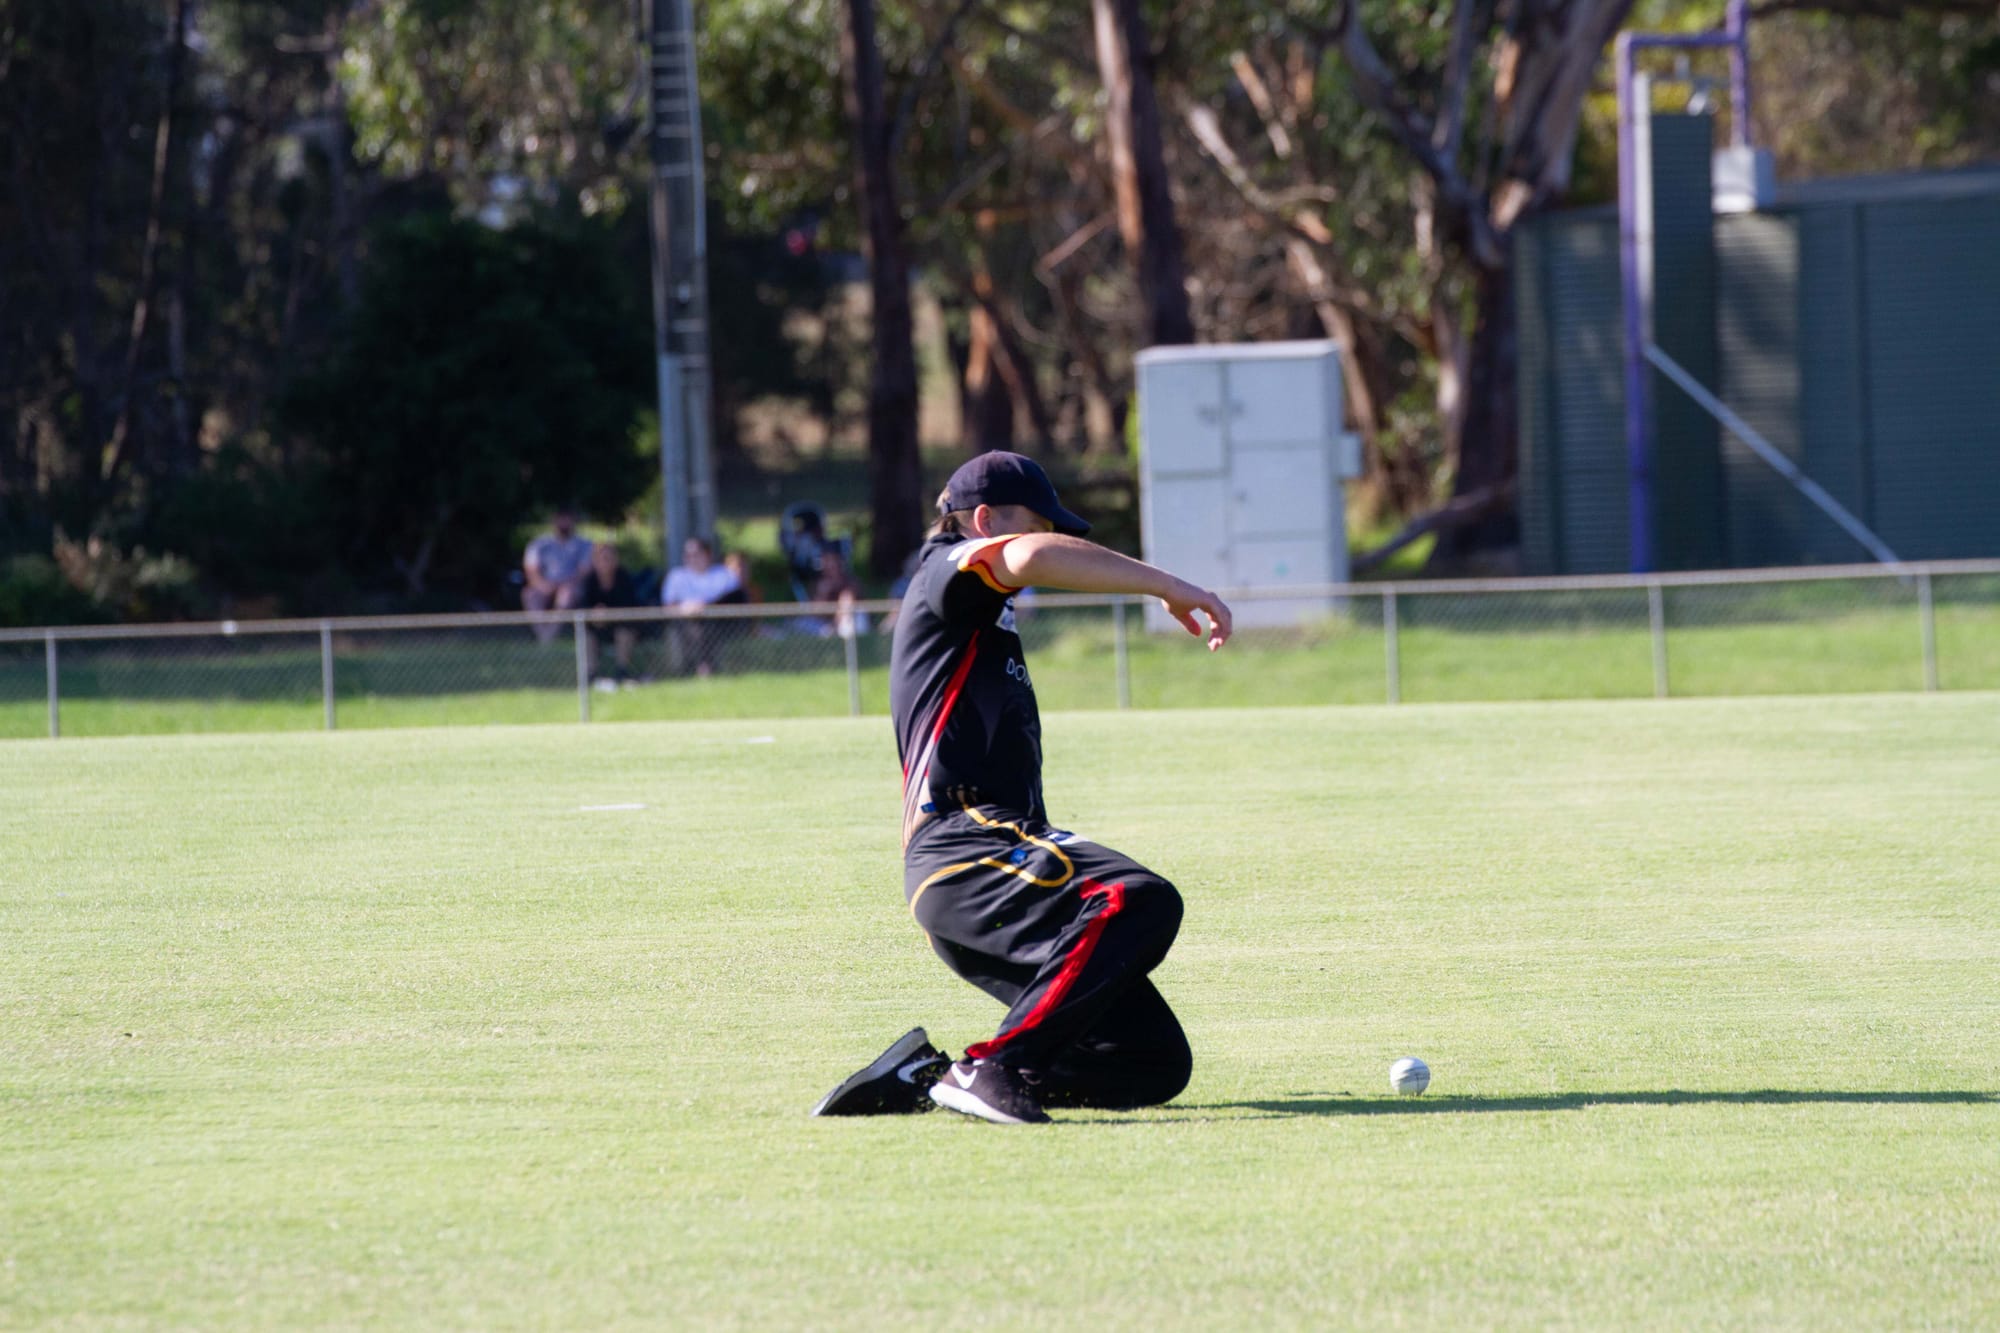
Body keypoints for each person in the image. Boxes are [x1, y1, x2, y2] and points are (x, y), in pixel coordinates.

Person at [812, 451, 1232, 1125]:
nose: (1053, 541)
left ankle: (935, 1075)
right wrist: (1168, 586)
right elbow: (1030, 555)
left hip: (984, 879)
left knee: (1151, 1061)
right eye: (1036, 524)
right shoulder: (942, 575)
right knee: (1139, 897)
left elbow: (1029, 554)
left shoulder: (981, 614)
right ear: (982, 522)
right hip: (963, 849)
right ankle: (991, 1068)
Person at [661, 536, 741, 676]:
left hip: (720, 621)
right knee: (696, 626)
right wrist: (686, 608)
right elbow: (668, 605)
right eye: (688, 555)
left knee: (706, 624)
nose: (692, 558)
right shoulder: (677, 576)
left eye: (696, 554)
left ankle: (704, 666)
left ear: (708, 555)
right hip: (686, 621)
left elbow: (735, 598)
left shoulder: (724, 574)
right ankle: (703, 666)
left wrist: (706, 606)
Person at [522, 508, 593, 644]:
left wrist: (566, 585)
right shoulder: (539, 544)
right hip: (545, 585)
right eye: (560, 518)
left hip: (572, 586)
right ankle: (542, 634)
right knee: (530, 595)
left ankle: (549, 637)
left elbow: (584, 571)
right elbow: (531, 570)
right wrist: (542, 584)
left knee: (566, 595)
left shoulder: (585, 544)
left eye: (567, 518)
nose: (564, 522)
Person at [577, 542, 641, 686]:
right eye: (601, 558)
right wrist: (594, 614)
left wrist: (610, 613)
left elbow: (631, 604)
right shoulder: (589, 579)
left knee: (624, 632)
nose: (605, 562)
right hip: (596, 626)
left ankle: (621, 671)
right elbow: (582, 605)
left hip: (620, 623)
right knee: (587, 636)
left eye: (609, 558)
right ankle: (590, 675)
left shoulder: (623, 577)